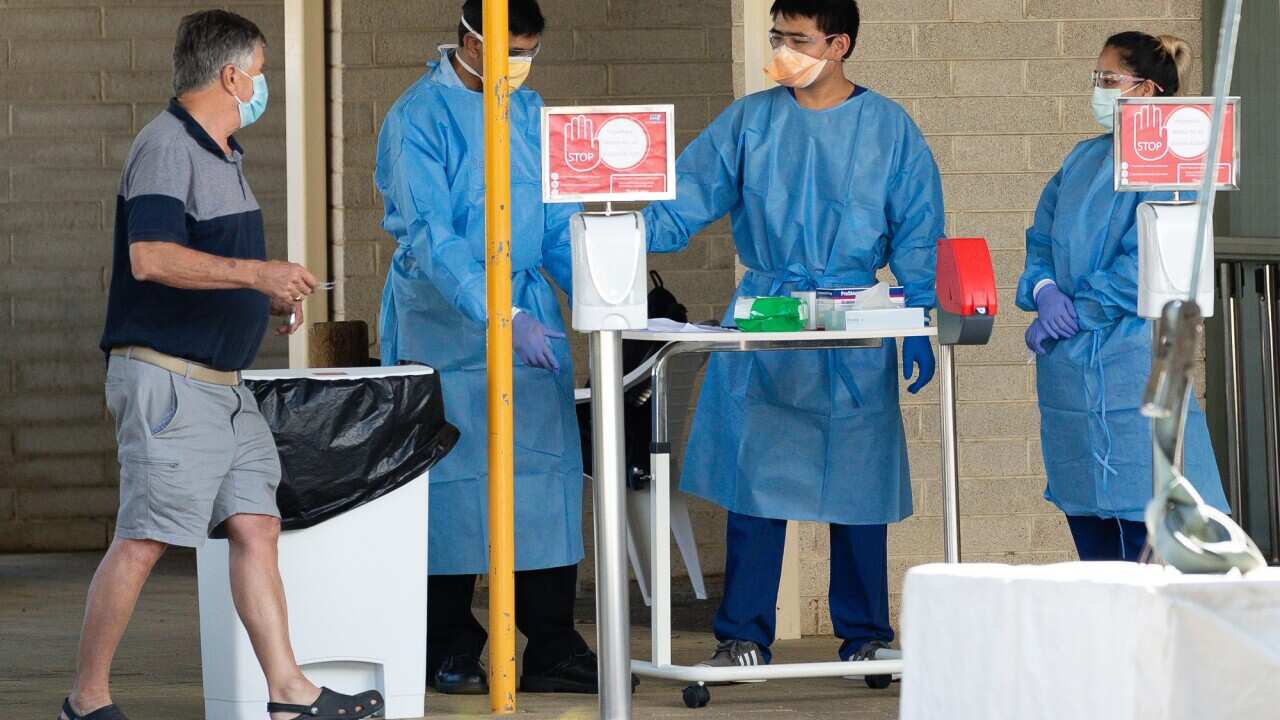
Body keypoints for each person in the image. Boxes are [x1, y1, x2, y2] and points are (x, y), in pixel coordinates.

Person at [68, 11, 384, 720]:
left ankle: (289, 692)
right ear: (232, 74)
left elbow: (216, 268)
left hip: (224, 388)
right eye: (261, 71)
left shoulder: (224, 153)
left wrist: (263, 295)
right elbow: (149, 258)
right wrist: (256, 272)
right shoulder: (165, 148)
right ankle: (86, 702)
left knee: (255, 526)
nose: (263, 85)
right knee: (145, 539)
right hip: (171, 383)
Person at [642, 0, 943, 670]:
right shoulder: (751, 121)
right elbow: (681, 199)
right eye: (776, 35)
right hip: (768, 319)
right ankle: (743, 633)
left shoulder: (889, 129)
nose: (779, 49)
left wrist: (920, 319)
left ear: (837, 45)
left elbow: (920, 234)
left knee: (859, 487)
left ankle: (865, 636)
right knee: (757, 484)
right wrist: (609, 227)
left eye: (795, 38)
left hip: (856, 324)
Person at [375, 0, 600, 695]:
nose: (518, 65)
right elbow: (431, 236)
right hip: (441, 318)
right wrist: (498, 312)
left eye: (528, 51)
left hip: (528, 314)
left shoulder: (531, 113)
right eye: (508, 48)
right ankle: (449, 642)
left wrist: (602, 296)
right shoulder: (418, 118)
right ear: (469, 37)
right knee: (447, 479)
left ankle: (552, 642)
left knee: (543, 474)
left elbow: (559, 222)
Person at [1018, 31, 1230, 562]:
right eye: (1097, 78)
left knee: (1149, 523)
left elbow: (1150, 262)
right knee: (1089, 524)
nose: (1098, 89)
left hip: (1135, 355)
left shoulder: (1169, 169)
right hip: (1071, 368)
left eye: (1109, 80)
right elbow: (1040, 238)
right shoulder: (1081, 160)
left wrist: (1080, 311)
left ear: (1149, 90)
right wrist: (1044, 291)